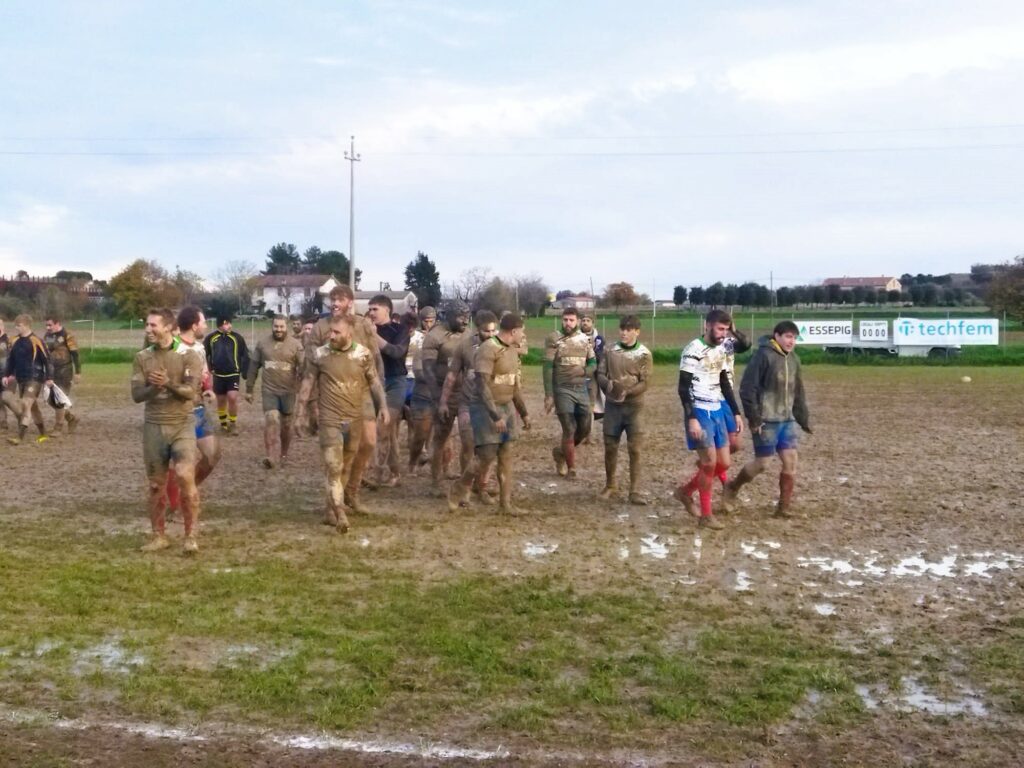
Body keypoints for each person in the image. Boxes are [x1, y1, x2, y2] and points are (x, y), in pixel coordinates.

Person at [295, 314, 387, 533]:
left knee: (345, 466)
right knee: (333, 466)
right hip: (330, 419)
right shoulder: (320, 354)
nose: (331, 336)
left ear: (349, 333)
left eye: (337, 332)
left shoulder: (362, 355)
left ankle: (331, 510)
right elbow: (307, 383)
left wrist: (382, 405)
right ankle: (341, 513)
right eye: (330, 332)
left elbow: (374, 382)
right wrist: (300, 413)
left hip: (353, 419)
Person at [131, 308, 203, 554]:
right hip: (153, 426)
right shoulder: (142, 357)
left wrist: (168, 384)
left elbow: (191, 393)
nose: (148, 329)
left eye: (153, 325)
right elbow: (136, 395)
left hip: (182, 424)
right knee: (155, 485)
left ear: (169, 328)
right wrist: (152, 387)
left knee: (184, 474)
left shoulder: (189, 355)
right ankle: (158, 536)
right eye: (147, 325)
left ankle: (190, 536)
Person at [724, 321, 812, 518]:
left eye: (795, 338)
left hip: (786, 420)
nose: (792, 341)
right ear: (777, 336)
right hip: (766, 420)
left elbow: (798, 390)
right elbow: (748, 388)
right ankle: (732, 487)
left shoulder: (794, 359)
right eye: (788, 337)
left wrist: (802, 417)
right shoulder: (763, 356)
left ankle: (783, 507)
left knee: (791, 461)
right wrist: (754, 418)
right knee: (762, 463)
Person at [448, 312, 530, 514]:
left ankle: (506, 504)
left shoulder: (512, 350)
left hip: (507, 407)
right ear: (514, 331)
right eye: (522, 331)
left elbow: (514, 385)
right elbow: (482, 385)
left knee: (506, 454)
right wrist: (495, 416)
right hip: (484, 407)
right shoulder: (488, 349)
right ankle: (460, 487)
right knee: (486, 455)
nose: (523, 335)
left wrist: (524, 412)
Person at [672, 309, 743, 530]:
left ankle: (685, 492)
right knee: (710, 463)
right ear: (707, 326)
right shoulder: (693, 349)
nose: (724, 334)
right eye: (720, 329)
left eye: (726, 329)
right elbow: (683, 388)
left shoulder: (723, 348)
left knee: (724, 462)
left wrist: (736, 412)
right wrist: (691, 417)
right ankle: (706, 515)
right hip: (699, 410)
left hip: (718, 408)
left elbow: (724, 382)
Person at [163, 306, 222, 522]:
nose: (206, 325)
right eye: (204, 322)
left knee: (213, 455)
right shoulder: (173, 348)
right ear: (195, 325)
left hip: (198, 409)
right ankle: (177, 505)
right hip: (178, 412)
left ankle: (187, 491)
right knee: (179, 461)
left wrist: (208, 388)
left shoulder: (199, 347)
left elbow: (204, 373)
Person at [440, 309, 498, 505]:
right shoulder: (465, 346)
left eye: (493, 331)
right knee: (469, 445)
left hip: (492, 405)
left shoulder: (501, 347)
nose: (490, 335)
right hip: (469, 403)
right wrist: (443, 401)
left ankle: (481, 486)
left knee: (489, 450)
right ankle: (464, 489)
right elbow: (452, 375)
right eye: (486, 331)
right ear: (476, 329)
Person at [595, 315, 652, 504]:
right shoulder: (609, 350)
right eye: (622, 329)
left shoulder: (644, 354)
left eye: (629, 330)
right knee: (610, 446)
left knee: (635, 449)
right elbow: (600, 374)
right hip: (613, 408)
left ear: (637, 331)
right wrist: (609, 387)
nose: (624, 333)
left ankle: (635, 490)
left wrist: (626, 392)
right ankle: (610, 485)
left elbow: (645, 382)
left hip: (635, 408)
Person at [421, 300, 470, 491]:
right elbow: (428, 369)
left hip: (466, 394)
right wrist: (437, 398)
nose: (465, 320)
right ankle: (436, 480)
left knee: (469, 439)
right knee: (441, 437)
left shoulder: (469, 334)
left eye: (467, 316)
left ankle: (466, 483)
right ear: (448, 316)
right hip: (444, 394)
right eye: (460, 316)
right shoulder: (435, 336)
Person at [543, 307, 596, 478]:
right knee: (569, 427)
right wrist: (549, 394)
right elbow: (548, 367)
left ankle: (560, 453)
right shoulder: (554, 338)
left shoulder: (585, 340)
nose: (568, 323)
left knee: (585, 428)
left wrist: (583, 371)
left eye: (571, 320)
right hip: (562, 389)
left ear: (578, 321)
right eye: (565, 320)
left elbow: (593, 365)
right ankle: (571, 467)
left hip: (580, 389)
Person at [245, 314, 303, 468]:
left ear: (287, 327)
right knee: (272, 418)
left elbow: (304, 368)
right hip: (269, 390)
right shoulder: (263, 344)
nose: (278, 329)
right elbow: (253, 366)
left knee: (286, 424)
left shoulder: (296, 345)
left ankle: (283, 453)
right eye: (276, 326)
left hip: (288, 391)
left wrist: (304, 386)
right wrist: (249, 389)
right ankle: (270, 456)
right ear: (272, 326)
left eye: (281, 327)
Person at [367, 294, 410, 486]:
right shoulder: (365, 330)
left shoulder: (400, 330)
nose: (371, 312)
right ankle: (395, 473)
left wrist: (373, 335)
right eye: (370, 309)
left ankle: (376, 475)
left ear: (387, 310)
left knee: (383, 426)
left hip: (396, 382)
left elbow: (396, 352)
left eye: (375, 309)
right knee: (389, 432)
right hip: (374, 382)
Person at [2, 314, 51, 445]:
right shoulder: (14, 341)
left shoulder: (37, 340)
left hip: (35, 378)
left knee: (25, 404)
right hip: (21, 379)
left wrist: (49, 378)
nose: (16, 328)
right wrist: (7, 375)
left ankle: (19, 437)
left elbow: (47, 361)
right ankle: (43, 434)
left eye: (18, 326)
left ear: (25, 325)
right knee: (33, 408)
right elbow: (11, 361)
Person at [204, 316, 250, 435]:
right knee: (221, 400)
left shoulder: (237, 338)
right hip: (218, 375)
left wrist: (245, 371)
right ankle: (223, 424)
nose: (230, 326)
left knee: (232, 397)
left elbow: (245, 355)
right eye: (227, 323)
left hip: (233, 373)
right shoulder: (211, 338)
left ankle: (233, 424)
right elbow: (205, 354)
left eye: (230, 323)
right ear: (220, 325)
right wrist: (209, 368)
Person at [405, 306, 437, 472]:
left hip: (435, 390)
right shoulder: (417, 339)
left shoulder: (439, 337)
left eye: (432, 321)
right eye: (426, 321)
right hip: (410, 380)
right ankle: (414, 457)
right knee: (418, 427)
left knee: (435, 427)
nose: (429, 325)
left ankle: (429, 453)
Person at [43, 315, 82, 435]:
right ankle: (71, 418)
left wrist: (78, 372)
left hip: (65, 371)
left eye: (50, 325)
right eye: (46, 325)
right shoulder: (47, 336)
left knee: (59, 399)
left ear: (57, 323)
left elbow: (75, 354)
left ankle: (58, 428)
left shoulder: (67, 335)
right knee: (51, 400)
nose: (47, 327)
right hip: (51, 372)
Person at [580, 311, 605, 425]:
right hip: (577, 374)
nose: (585, 323)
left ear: (593, 323)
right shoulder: (575, 337)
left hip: (592, 375)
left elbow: (599, 355)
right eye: (583, 320)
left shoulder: (598, 339)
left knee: (591, 405)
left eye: (588, 321)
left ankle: (588, 435)